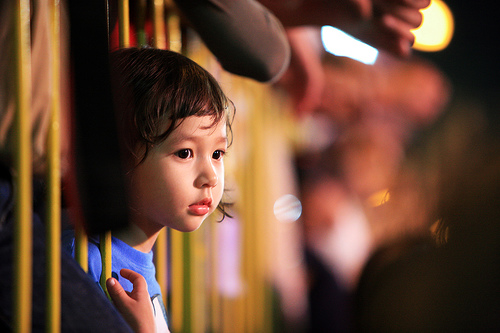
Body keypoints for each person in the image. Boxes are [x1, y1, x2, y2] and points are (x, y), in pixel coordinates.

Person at [62, 47, 235, 331]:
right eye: (184, 153)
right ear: (117, 154)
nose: (211, 177)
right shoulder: (82, 260)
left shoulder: (138, 261)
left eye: (217, 154)